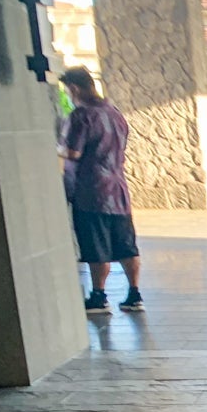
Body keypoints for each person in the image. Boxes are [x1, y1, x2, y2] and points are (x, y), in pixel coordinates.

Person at [59, 66, 143, 314]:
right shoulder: (115, 114)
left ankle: (98, 296)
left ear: (74, 88)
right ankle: (134, 294)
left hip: (91, 192)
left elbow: (73, 152)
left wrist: (54, 147)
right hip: (118, 191)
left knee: (96, 246)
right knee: (127, 245)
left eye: (68, 90)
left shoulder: (81, 116)